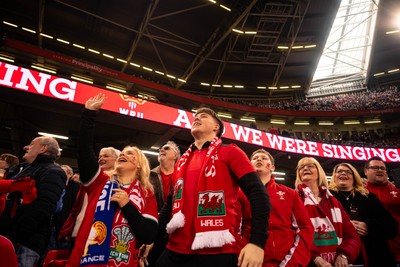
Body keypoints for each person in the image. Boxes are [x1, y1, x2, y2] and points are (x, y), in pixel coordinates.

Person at [155, 107, 270, 267]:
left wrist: (257, 242)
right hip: (174, 249)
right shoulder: (181, 162)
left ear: (217, 127)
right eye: (195, 116)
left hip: (217, 253)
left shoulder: (230, 152)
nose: (197, 118)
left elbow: (258, 193)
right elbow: (169, 205)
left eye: (203, 116)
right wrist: (153, 240)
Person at [64, 93, 158, 266]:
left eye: (130, 153)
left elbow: (148, 235)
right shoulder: (99, 181)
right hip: (83, 260)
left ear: (139, 165)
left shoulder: (146, 194)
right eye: (122, 152)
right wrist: (89, 114)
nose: (123, 154)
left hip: (123, 260)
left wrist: (127, 204)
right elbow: (84, 151)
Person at [0, 136, 67, 267]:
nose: (26, 147)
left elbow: (43, 207)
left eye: (31, 144)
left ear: (43, 148)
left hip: (24, 242)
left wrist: (15, 235)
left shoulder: (53, 172)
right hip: (6, 236)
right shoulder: (20, 169)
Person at [248, 149, 314, 266]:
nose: (259, 159)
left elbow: (305, 228)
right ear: (249, 165)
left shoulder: (290, 194)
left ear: (272, 167)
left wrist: (291, 264)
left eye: (264, 158)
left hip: (288, 262)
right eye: (255, 158)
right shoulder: (239, 193)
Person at [295, 157, 360, 267]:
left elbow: (351, 234)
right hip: (306, 262)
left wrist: (344, 255)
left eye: (310, 166)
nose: (305, 168)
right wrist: (315, 257)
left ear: (319, 171)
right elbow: (293, 233)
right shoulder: (294, 199)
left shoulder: (334, 201)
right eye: (301, 167)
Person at [330, 162, 398, 266]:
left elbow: (392, 226)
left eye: (348, 172)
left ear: (354, 177)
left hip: (373, 255)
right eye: (339, 171)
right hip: (337, 256)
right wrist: (346, 227)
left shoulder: (369, 198)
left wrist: (368, 226)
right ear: (334, 176)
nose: (343, 174)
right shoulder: (326, 198)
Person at [58, 148, 120, 248]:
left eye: (106, 156)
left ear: (117, 160)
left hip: (102, 235)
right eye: (99, 157)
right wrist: (68, 229)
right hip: (78, 231)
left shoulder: (121, 183)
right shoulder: (89, 180)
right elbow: (77, 207)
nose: (101, 159)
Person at [141, 141, 180, 267]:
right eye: (160, 149)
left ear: (175, 155)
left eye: (166, 148)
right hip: (153, 230)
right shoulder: (148, 176)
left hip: (176, 233)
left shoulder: (182, 177)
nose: (161, 150)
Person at [364, 156, 400, 265]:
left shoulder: (397, 191)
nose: (379, 170)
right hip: (373, 252)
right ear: (366, 171)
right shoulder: (360, 192)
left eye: (382, 168)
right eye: (375, 167)